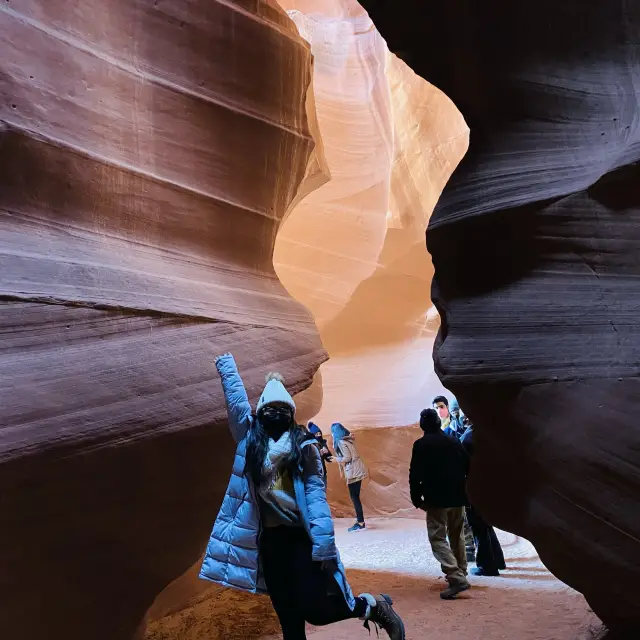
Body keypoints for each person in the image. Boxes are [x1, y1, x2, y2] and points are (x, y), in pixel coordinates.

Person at [200, 353, 405, 640]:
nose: (276, 413)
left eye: (281, 408)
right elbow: (236, 407)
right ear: (260, 412)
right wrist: (227, 367)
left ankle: (373, 607)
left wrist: (323, 542)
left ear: (291, 412)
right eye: (270, 408)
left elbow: (315, 496)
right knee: (289, 619)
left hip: (300, 540)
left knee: (317, 609)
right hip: (270, 543)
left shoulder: (303, 446)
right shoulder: (251, 441)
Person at [409, 408, 471, 599]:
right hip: (458, 495)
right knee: (456, 534)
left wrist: (416, 497)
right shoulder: (453, 440)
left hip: (436, 498)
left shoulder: (421, 445)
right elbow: (467, 464)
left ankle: (455, 576)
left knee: (437, 538)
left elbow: (415, 473)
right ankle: (461, 571)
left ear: (422, 425)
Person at [460, 422, 506, 577]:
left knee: (479, 528)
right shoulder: (486, 433)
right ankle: (498, 561)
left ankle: (487, 567)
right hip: (487, 487)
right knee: (486, 526)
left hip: (475, 489)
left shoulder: (469, 437)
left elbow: (463, 465)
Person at [331, 423, 368, 532]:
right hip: (357, 469)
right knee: (355, 496)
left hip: (353, 471)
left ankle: (360, 523)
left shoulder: (341, 442)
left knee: (354, 497)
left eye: (332, 432)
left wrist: (335, 459)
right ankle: (360, 522)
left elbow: (347, 458)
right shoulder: (347, 440)